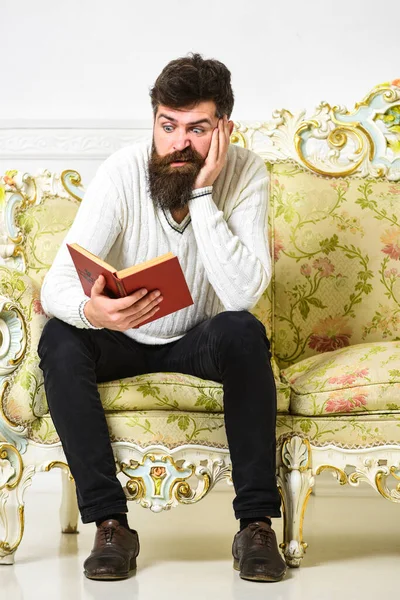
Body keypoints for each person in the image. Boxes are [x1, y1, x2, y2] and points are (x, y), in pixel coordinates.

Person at [38, 53, 286, 583]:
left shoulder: (245, 173)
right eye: (167, 126)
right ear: (153, 121)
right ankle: (110, 524)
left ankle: (255, 526)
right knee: (60, 337)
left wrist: (201, 192)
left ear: (224, 129)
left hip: (199, 338)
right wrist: (94, 311)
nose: (178, 143)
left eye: (197, 129)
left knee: (244, 331)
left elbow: (242, 292)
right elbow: (55, 283)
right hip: (122, 337)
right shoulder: (124, 170)